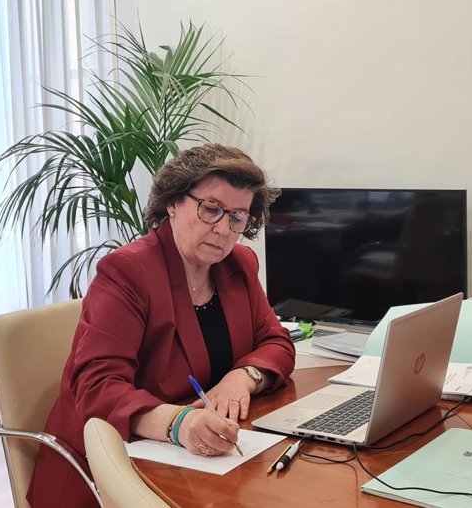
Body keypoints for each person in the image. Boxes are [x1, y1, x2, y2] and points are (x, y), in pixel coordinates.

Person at [27, 144, 296, 507]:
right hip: (108, 470)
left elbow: (277, 342)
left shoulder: (239, 264)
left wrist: (242, 377)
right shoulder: (128, 272)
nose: (223, 229)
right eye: (211, 209)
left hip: (199, 465)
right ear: (172, 202)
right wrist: (178, 423)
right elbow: (97, 386)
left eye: (237, 217)